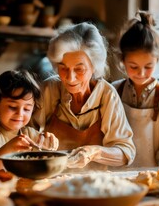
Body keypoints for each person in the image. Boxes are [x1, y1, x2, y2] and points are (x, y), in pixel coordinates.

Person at [31, 22, 136, 169]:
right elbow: (24, 134)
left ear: (94, 67)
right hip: (53, 180)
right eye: (63, 68)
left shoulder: (106, 95)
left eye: (79, 69)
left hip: (95, 185)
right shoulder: (50, 89)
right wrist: (38, 140)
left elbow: (126, 152)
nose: (70, 78)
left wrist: (94, 152)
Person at [112, 10, 159, 167]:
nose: (141, 73)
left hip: (151, 180)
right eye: (133, 66)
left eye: (148, 66)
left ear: (157, 60)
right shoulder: (113, 92)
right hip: (115, 179)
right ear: (122, 60)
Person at [0, 70, 59, 171]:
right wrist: (10, 148)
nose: (20, 114)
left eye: (27, 109)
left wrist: (51, 141)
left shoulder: (28, 133)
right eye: (13, 107)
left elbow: (45, 145)